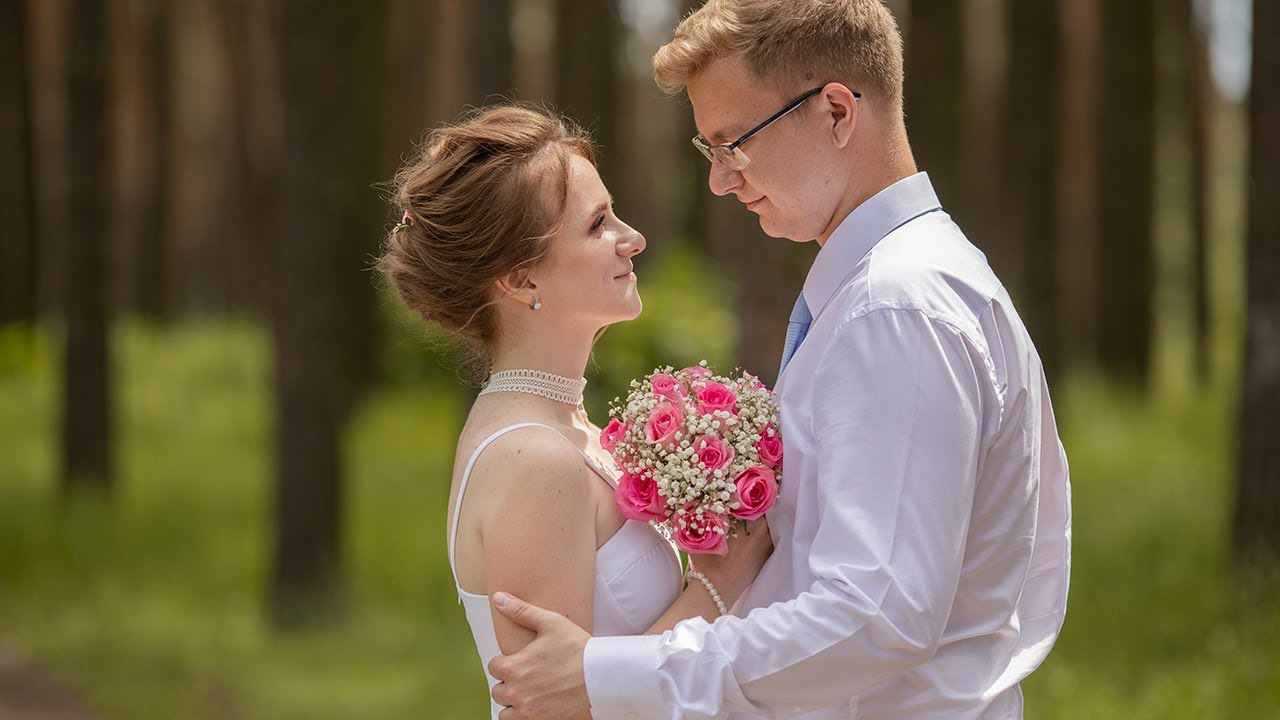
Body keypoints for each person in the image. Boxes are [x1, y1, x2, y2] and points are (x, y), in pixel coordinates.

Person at [486, 2, 1072, 718]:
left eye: (735, 144)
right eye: (710, 151)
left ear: (836, 113)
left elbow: (874, 614)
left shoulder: (894, 307)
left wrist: (612, 677)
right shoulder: (905, 284)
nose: (720, 181)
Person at [377, 104, 774, 720]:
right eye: (597, 225)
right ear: (520, 279)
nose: (633, 238)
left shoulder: (566, 431)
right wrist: (718, 584)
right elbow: (559, 709)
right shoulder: (535, 460)